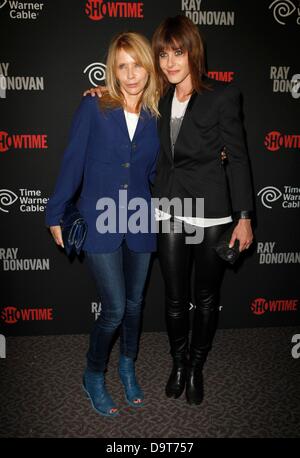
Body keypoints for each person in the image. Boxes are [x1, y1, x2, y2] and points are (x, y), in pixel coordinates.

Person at [84, 15, 254, 407]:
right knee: (175, 298)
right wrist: (101, 91)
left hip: (211, 212)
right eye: (163, 55)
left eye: (178, 52)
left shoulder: (223, 95)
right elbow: (125, 106)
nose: (170, 62)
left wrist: (245, 217)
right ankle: (177, 363)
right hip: (171, 208)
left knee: (206, 298)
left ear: (193, 51)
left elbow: (240, 159)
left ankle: (196, 366)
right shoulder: (157, 98)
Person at [45, 32, 160, 417]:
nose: (130, 74)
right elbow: (72, 161)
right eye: (122, 66)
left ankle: (127, 367)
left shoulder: (155, 114)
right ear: (112, 70)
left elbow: (161, 169)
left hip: (141, 219)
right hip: (100, 218)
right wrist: (55, 213)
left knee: (135, 303)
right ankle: (94, 374)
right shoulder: (95, 107)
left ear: (149, 66)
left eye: (137, 64)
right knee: (113, 308)